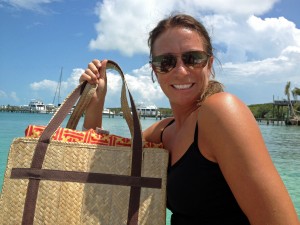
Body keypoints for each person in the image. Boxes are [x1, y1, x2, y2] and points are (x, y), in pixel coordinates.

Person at [80, 14, 299, 225]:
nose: (181, 71)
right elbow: (102, 166)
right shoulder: (164, 131)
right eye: (166, 62)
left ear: (209, 63)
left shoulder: (221, 111)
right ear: (154, 71)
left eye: (193, 59)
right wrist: (96, 102)